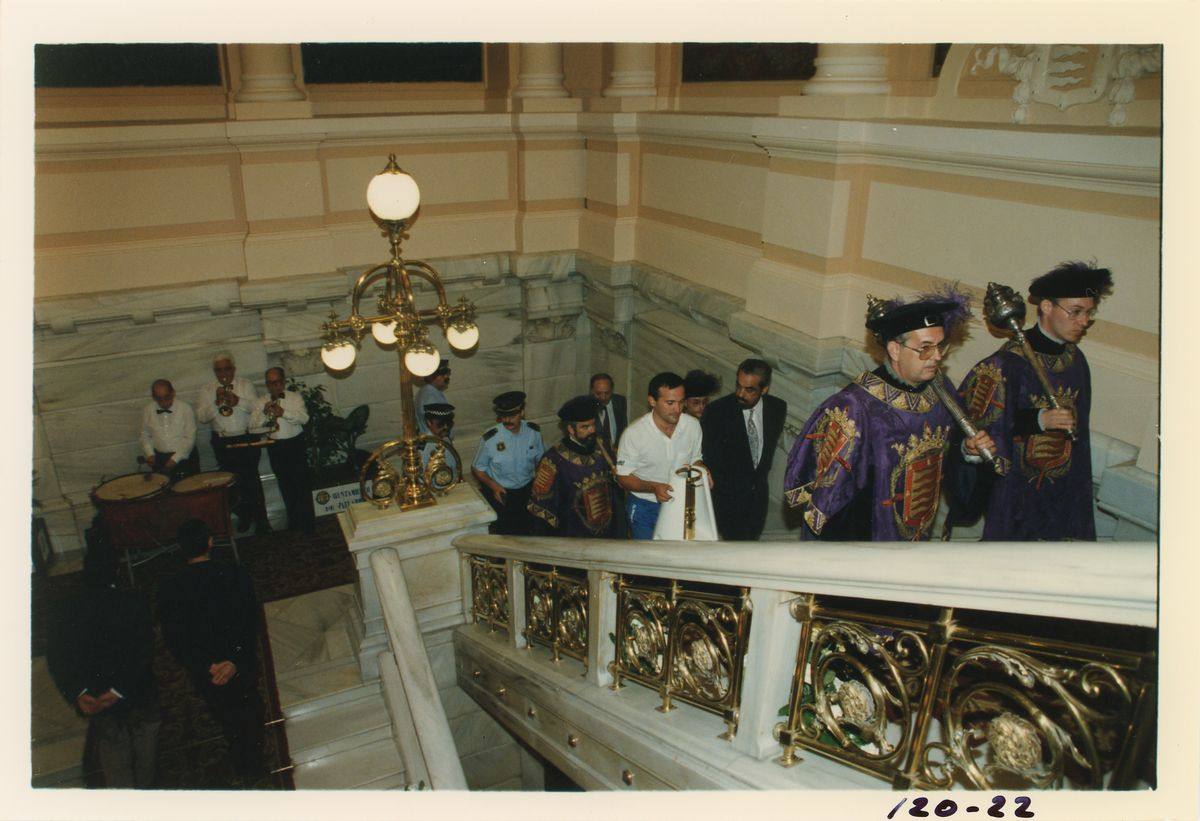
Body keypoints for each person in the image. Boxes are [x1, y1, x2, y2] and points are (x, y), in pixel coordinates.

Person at [783, 291, 995, 541]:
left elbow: (953, 455)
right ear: (895, 349)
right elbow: (834, 503)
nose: (937, 357)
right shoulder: (855, 407)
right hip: (868, 548)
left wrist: (968, 453)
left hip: (918, 539)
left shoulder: (941, 389)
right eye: (925, 348)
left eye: (941, 346)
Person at [955, 262, 1112, 540]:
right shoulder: (1007, 364)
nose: (1083, 321)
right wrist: (1038, 420)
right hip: (1015, 491)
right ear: (1047, 307)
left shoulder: (1076, 361)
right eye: (1075, 312)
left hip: (1062, 488)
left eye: (1089, 313)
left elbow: (1081, 440)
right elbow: (979, 429)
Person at [157, 519, 266, 786]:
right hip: (239, 661)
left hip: (206, 671)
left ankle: (240, 757)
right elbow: (249, 621)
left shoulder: (169, 588)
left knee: (224, 713)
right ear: (209, 542)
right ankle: (255, 762)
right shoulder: (235, 574)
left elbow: (176, 638)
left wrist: (207, 665)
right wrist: (234, 660)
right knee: (249, 707)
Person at [46, 540, 160, 789]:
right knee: (146, 744)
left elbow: (57, 658)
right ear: (116, 571)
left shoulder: (65, 610)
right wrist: (119, 690)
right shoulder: (133, 602)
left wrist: (78, 692)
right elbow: (143, 652)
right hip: (137, 692)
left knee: (112, 748)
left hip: (96, 697)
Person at [701, 359, 788, 541]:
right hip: (728, 504)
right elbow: (711, 462)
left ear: (764, 389)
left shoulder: (777, 408)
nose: (740, 393)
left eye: (749, 389)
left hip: (758, 500)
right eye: (738, 386)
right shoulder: (717, 412)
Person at [615, 372, 708, 540]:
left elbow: (695, 458)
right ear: (652, 401)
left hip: (681, 504)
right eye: (670, 403)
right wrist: (654, 487)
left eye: (681, 402)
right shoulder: (634, 434)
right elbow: (623, 477)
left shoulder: (693, 426)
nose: (677, 410)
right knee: (647, 558)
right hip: (645, 506)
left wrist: (702, 470)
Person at [528, 395, 621, 537]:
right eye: (585, 427)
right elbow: (542, 507)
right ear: (570, 429)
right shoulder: (553, 460)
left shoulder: (602, 447)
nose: (591, 430)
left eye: (592, 424)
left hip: (607, 533)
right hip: (573, 534)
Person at [195, 352, 267, 534]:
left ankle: (262, 521)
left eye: (227, 369)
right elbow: (202, 417)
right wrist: (216, 402)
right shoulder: (207, 390)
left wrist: (237, 401)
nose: (223, 374)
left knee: (252, 480)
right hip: (222, 440)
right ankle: (244, 516)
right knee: (231, 483)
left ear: (233, 369)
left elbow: (256, 408)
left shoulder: (245, 384)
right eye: (219, 370)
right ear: (214, 372)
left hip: (246, 437)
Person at [472, 391, 545, 535]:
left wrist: (539, 485)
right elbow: (477, 468)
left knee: (530, 532)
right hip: (503, 494)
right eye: (503, 416)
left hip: (527, 491)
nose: (507, 420)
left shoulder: (533, 433)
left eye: (512, 416)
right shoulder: (491, 438)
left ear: (522, 412)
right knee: (507, 535)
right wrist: (495, 487)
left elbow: (541, 461)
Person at [250, 367, 313, 535]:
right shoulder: (260, 401)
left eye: (277, 382)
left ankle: (308, 524)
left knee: (301, 484)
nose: (274, 387)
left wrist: (283, 412)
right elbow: (252, 427)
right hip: (275, 446)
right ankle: (293, 521)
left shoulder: (294, 398)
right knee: (285, 484)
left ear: (283, 382)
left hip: (295, 444)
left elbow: (304, 418)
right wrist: (265, 413)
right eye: (270, 383)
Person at [139, 378, 199, 482]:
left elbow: (190, 438)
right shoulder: (148, 410)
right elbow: (145, 434)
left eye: (166, 397)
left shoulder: (185, 408)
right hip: (160, 458)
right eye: (159, 398)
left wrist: (174, 459)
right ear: (153, 397)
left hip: (184, 457)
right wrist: (149, 453)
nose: (163, 402)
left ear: (173, 393)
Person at [590, 372, 627, 448]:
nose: (603, 397)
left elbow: (623, 426)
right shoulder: (584, 407)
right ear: (592, 391)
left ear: (612, 390)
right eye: (598, 393)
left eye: (607, 393)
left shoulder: (620, 401)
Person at [420, 402, 459, 473]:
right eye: (440, 424)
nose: (446, 427)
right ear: (429, 422)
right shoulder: (424, 446)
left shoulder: (446, 439)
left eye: (449, 423)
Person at [416, 360, 452, 435]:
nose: (446, 377)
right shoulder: (430, 396)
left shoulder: (429, 391)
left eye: (447, 373)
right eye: (442, 374)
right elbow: (437, 427)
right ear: (431, 377)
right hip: (436, 442)